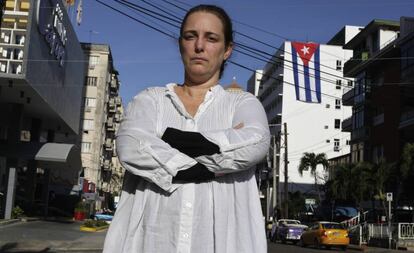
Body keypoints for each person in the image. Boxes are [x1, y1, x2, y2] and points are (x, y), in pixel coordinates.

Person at [103, 4, 270, 253]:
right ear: (180, 43)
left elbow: (255, 143)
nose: (199, 46)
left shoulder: (242, 102)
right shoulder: (151, 99)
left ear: (227, 50)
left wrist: (167, 140)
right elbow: (130, 146)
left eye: (211, 38)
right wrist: (218, 163)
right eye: (191, 36)